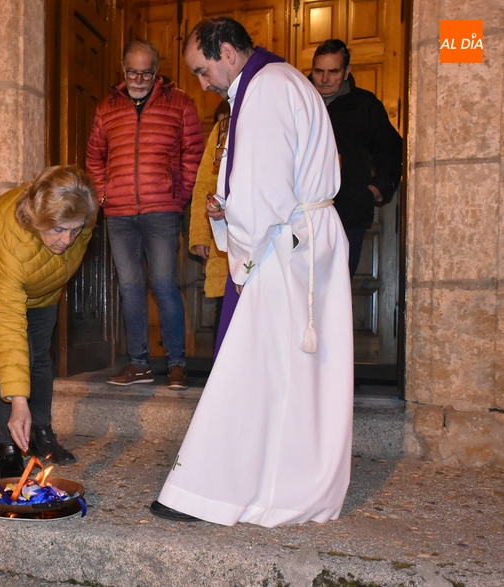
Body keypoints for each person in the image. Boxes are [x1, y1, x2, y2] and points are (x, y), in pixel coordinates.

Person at [150, 17, 353, 527]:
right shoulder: (281, 81)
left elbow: (265, 199)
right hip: (303, 239)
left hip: (284, 248)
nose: (201, 83)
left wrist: (240, 254)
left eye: (202, 69)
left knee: (254, 368)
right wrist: (229, 208)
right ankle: (276, 481)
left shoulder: (264, 89)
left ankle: (213, 491)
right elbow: (266, 182)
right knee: (292, 376)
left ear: (227, 52)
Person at [0, 166, 98, 477]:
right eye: (59, 230)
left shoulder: (82, 217)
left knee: (40, 358)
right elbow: (9, 335)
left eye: (75, 229)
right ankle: (7, 445)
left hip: (43, 287)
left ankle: (41, 434)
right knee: (21, 355)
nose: (67, 240)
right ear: (37, 220)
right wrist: (18, 402)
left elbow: (66, 241)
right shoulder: (7, 244)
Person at [86, 39, 204, 390]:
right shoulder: (107, 107)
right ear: (123, 69)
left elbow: (193, 154)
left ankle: (176, 365)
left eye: (146, 72)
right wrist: (103, 195)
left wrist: (177, 196)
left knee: (166, 287)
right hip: (119, 214)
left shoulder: (180, 103)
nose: (139, 79)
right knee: (130, 289)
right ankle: (138, 364)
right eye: (132, 72)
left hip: (162, 212)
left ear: (158, 70)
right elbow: (95, 158)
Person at [310, 39, 403, 276]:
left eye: (333, 71)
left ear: (347, 71)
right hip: (301, 213)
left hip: (349, 213)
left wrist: (373, 190)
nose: (324, 79)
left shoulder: (365, 105)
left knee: (337, 290)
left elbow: (392, 151)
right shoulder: (298, 100)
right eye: (319, 71)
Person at [187, 101, 232, 357]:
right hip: (223, 235)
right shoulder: (221, 129)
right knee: (223, 306)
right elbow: (205, 183)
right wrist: (201, 234)